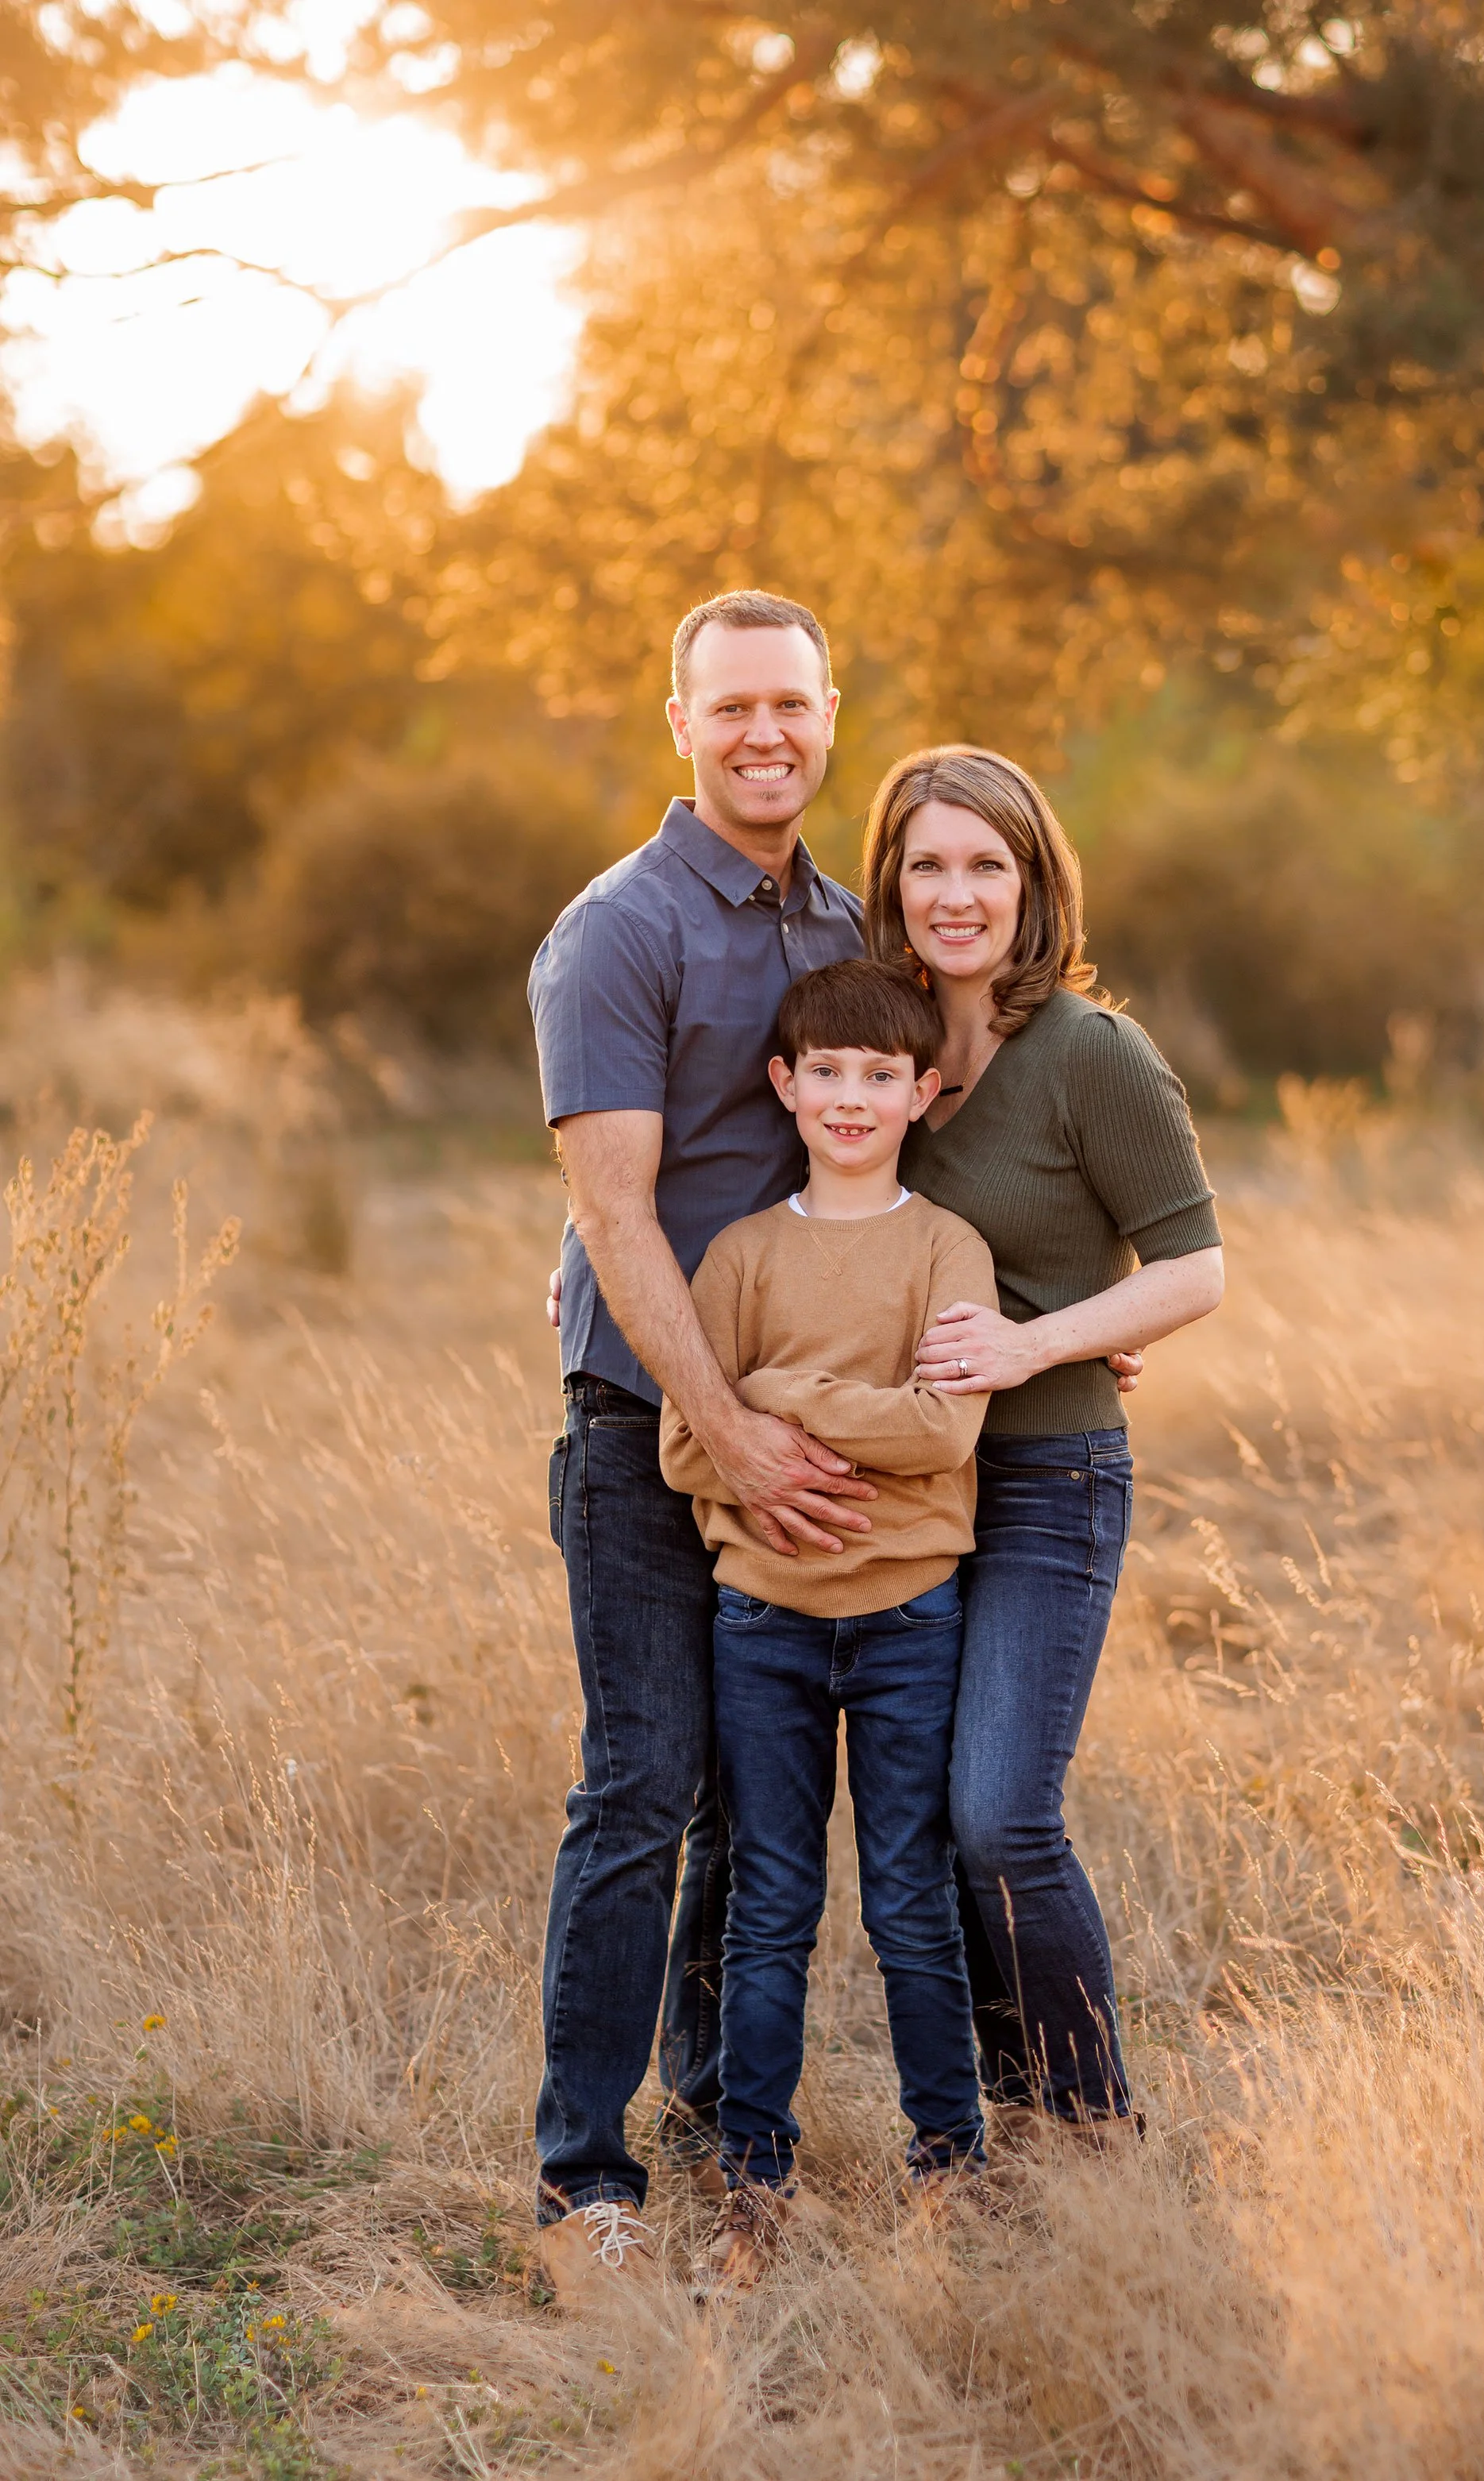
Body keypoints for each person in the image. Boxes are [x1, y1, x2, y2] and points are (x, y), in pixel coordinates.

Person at [526, 590, 877, 2298]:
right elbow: (614, 1210)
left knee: (758, 1806)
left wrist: (1050, 1340)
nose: (765, 732)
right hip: (644, 1428)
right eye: (731, 703)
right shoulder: (621, 929)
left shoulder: (851, 919)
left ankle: (719, 2138)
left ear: (830, 712)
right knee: (643, 1786)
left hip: (800, 1438)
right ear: (678, 718)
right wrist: (722, 1426)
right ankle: (581, 2186)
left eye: (791, 704)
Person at [861, 744, 1226, 2140]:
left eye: (987, 866)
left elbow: (1193, 1270)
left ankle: (1096, 2128)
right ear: (893, 879)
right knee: (934, 1834)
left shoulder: (1093, 1055)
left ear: (1035, 884)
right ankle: (1005, 2133)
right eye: (930, 863)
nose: (957, 896)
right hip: (909, 1482)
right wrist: (578, 1261)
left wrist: (1040, 1340)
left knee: (1003, 1815)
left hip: (1047, 1476)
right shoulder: (873, 1040)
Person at [659, 959, 997, 2291]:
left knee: (913, 1902)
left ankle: (948, 2175)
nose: (852, 1098)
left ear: (923, 1093)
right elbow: (694, 1442)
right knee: (769, 1906)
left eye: (881, 1076)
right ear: (785, 1085)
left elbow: (945, 1429)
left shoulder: (944, 1248)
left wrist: (783, 1396)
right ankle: (755, 2189)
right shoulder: (742, 1255)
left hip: (914, 1617)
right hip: (764, 1625)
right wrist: (759, 1415)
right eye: (828, 1074)